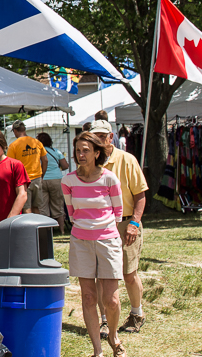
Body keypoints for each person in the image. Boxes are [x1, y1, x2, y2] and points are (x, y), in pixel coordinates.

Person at [62, 132, 125, 357]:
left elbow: (118, 212)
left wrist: (104, 231)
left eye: (86, 150)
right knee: (88, 297)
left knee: (111, 299)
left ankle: (113, 336)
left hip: (108, 240)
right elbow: (71, 213)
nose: (81, 154)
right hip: (81, 241)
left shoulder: (110, 179)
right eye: (78, 150)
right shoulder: (67, 181)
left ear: (97, 153)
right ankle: (97, 350)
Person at [90, 119, 149, 337]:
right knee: (100, 275)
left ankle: (137, 313)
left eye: (102, 135)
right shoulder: (90, 161)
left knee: (128, 273)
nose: (98, 139)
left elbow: (140, 195)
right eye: (94, 135)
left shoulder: (126, 159)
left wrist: (134, 222)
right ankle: (105, 320)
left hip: (125, 222)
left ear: (111, 136)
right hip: (98, 224)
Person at [7, 121, 48, 213]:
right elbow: (45, 160)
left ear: (15, 131)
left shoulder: (13, 145)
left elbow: (10, 165)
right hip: (37, 178)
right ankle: (37, 226)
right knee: (36, 207)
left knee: (26, 207)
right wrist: (41, 175)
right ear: (24, 129)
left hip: (23, 181)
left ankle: (29, 227)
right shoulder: (36, 142)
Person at [37, 132, 69, 235]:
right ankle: (62, 230)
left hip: (41, 179)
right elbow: (65, 166)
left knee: (43, 207)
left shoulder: (37, 152)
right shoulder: (56, 151)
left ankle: (46, 232)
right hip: (56, 179)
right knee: (58, 205)